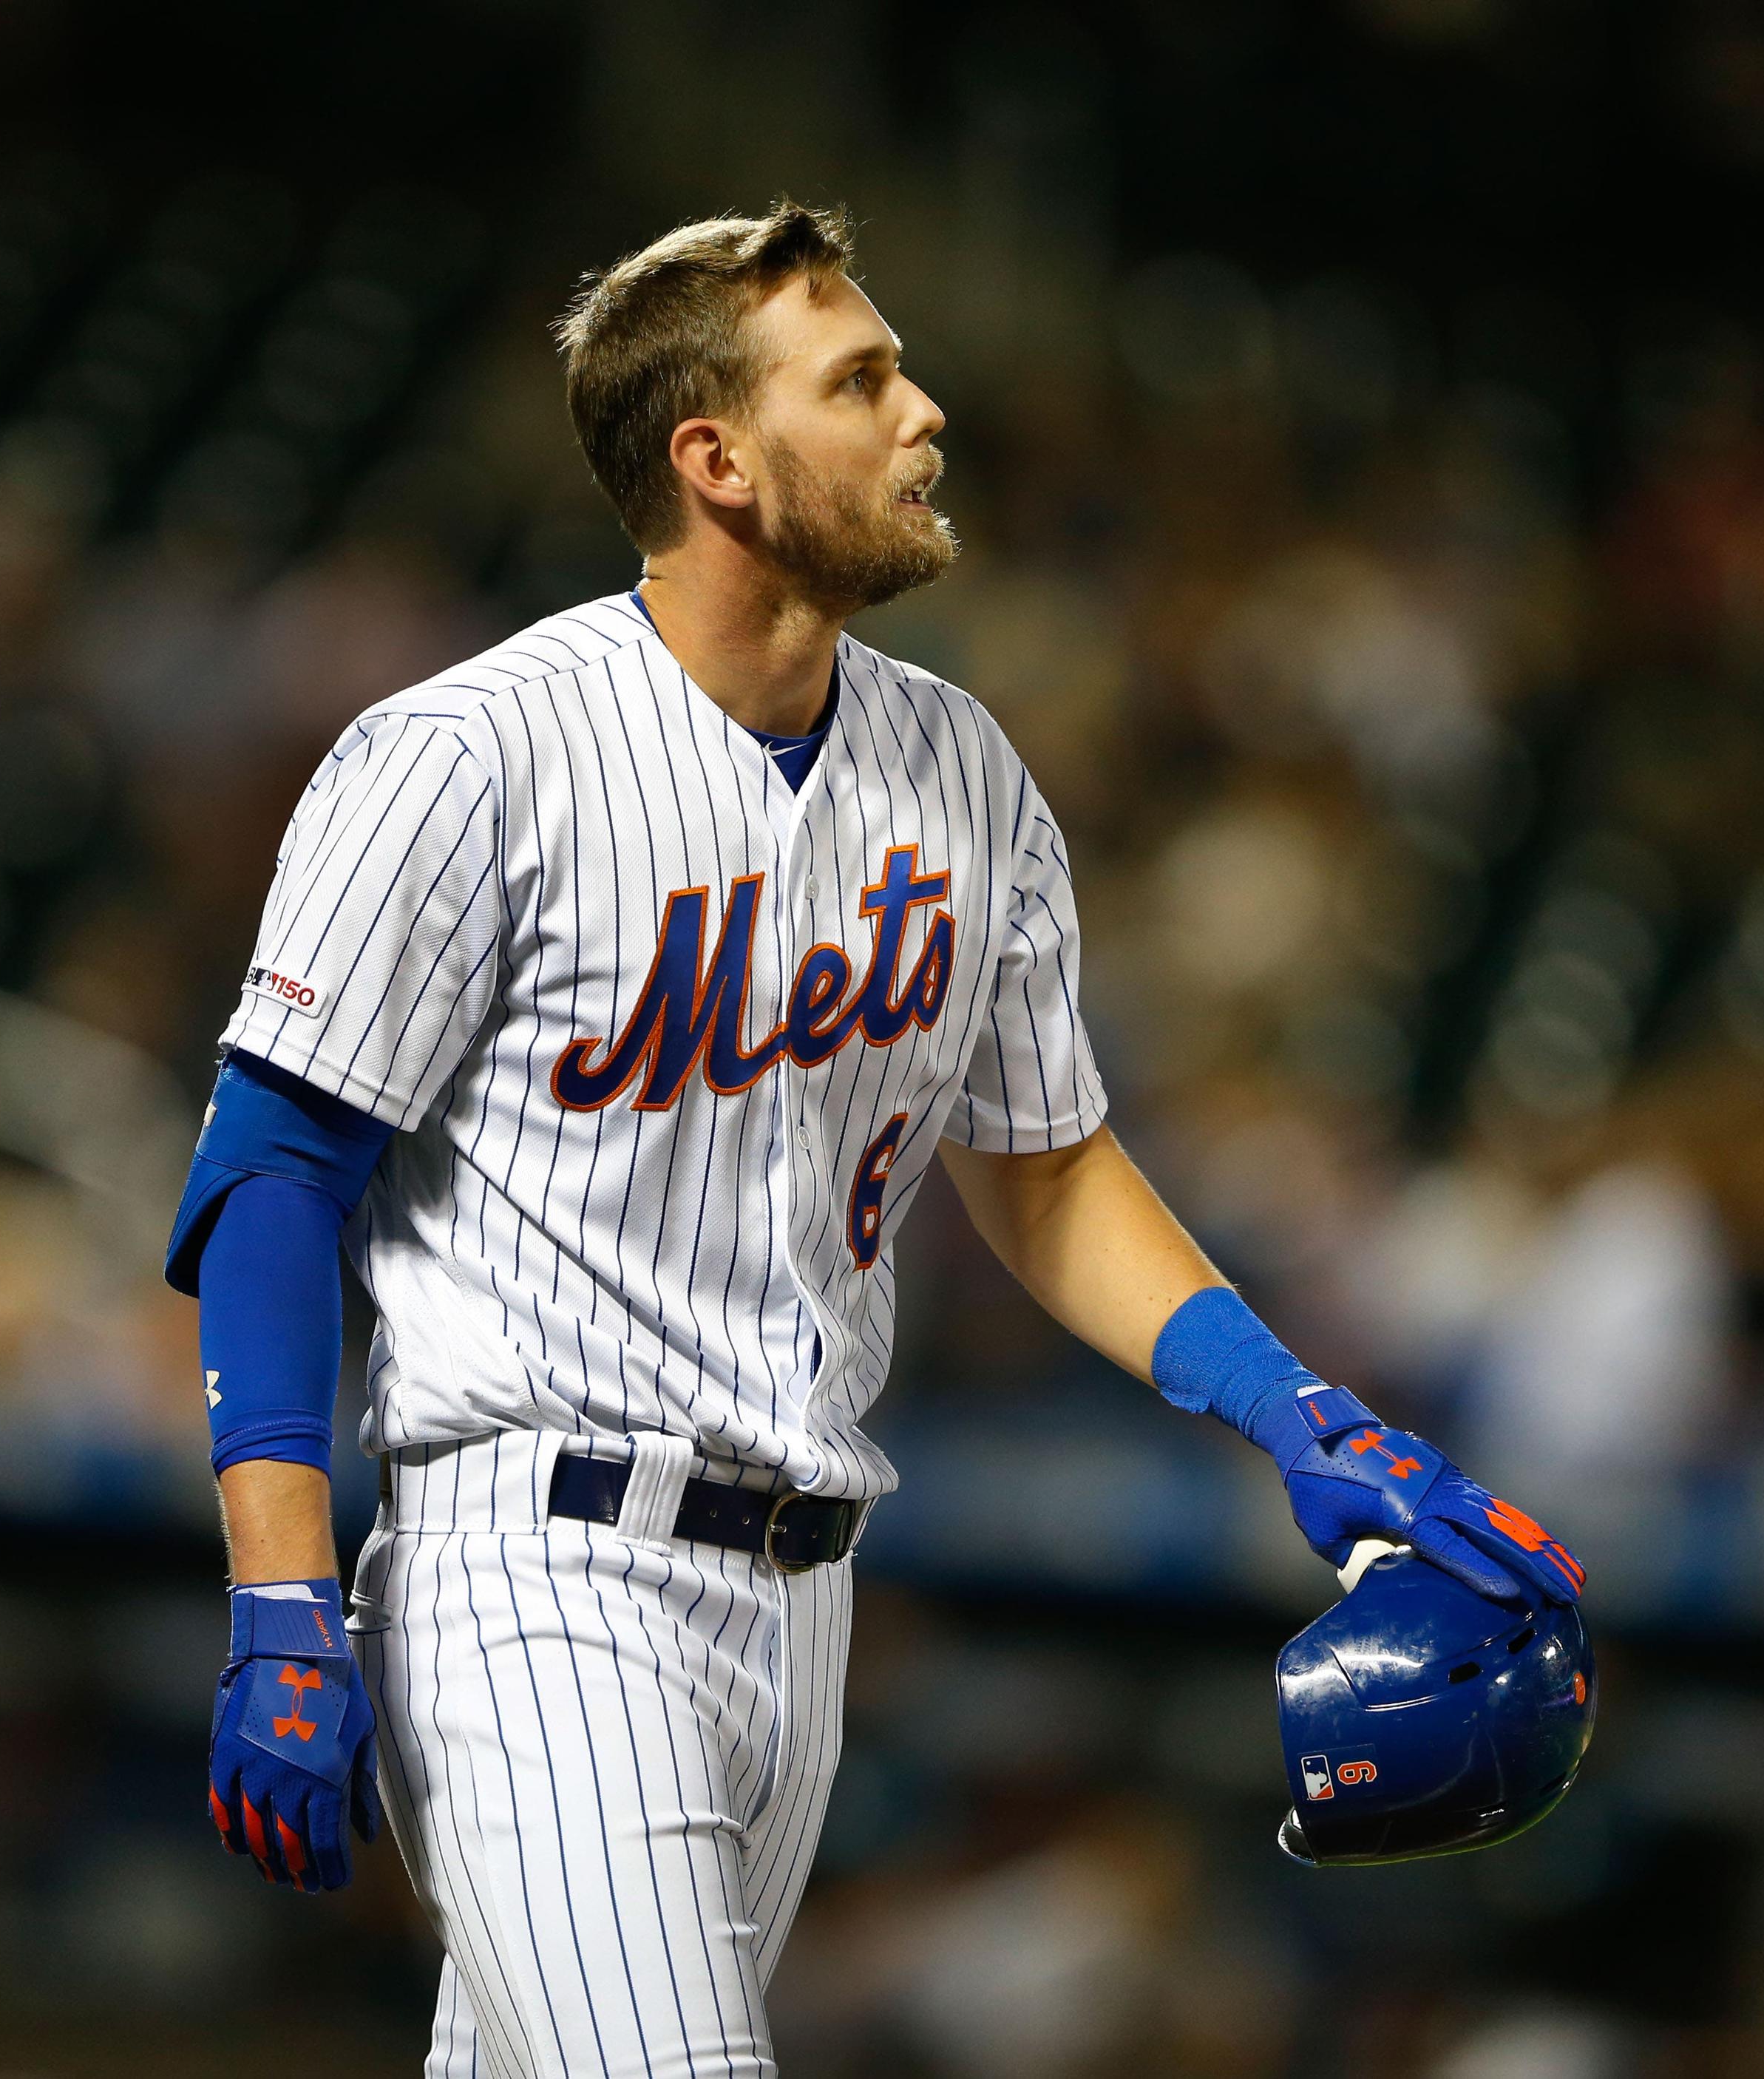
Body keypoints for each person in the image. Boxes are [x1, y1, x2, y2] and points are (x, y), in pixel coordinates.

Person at [163, 200, 1582, 2078]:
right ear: (717, 461)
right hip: (537, 1572)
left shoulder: (961, 770)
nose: (926, 413)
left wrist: (1299, 1415)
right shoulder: (468, 752)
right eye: (863, 379)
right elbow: (274, 1168)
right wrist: (275, 1579)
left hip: (803, 1599)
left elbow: (1045, 1164)